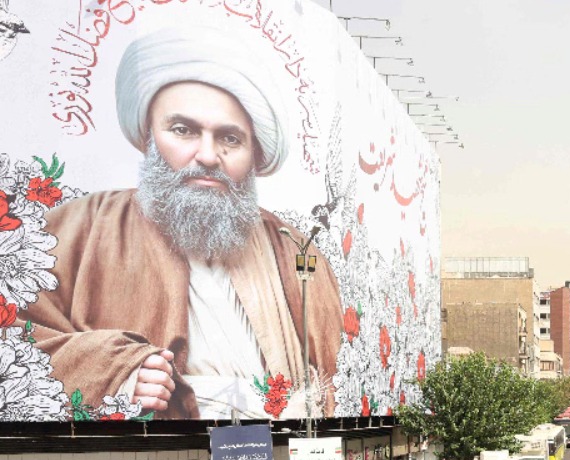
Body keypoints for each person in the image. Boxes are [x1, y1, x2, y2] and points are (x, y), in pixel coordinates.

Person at [31, 27, 343, 419]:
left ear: (253, 153)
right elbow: (17, 335)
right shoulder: (80, 226)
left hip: (275, 449)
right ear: (149, 134)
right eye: (184, 130)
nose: (208, 155)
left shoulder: (295, 249)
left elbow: (333, 368)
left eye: (230, 138)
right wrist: (117, 371)